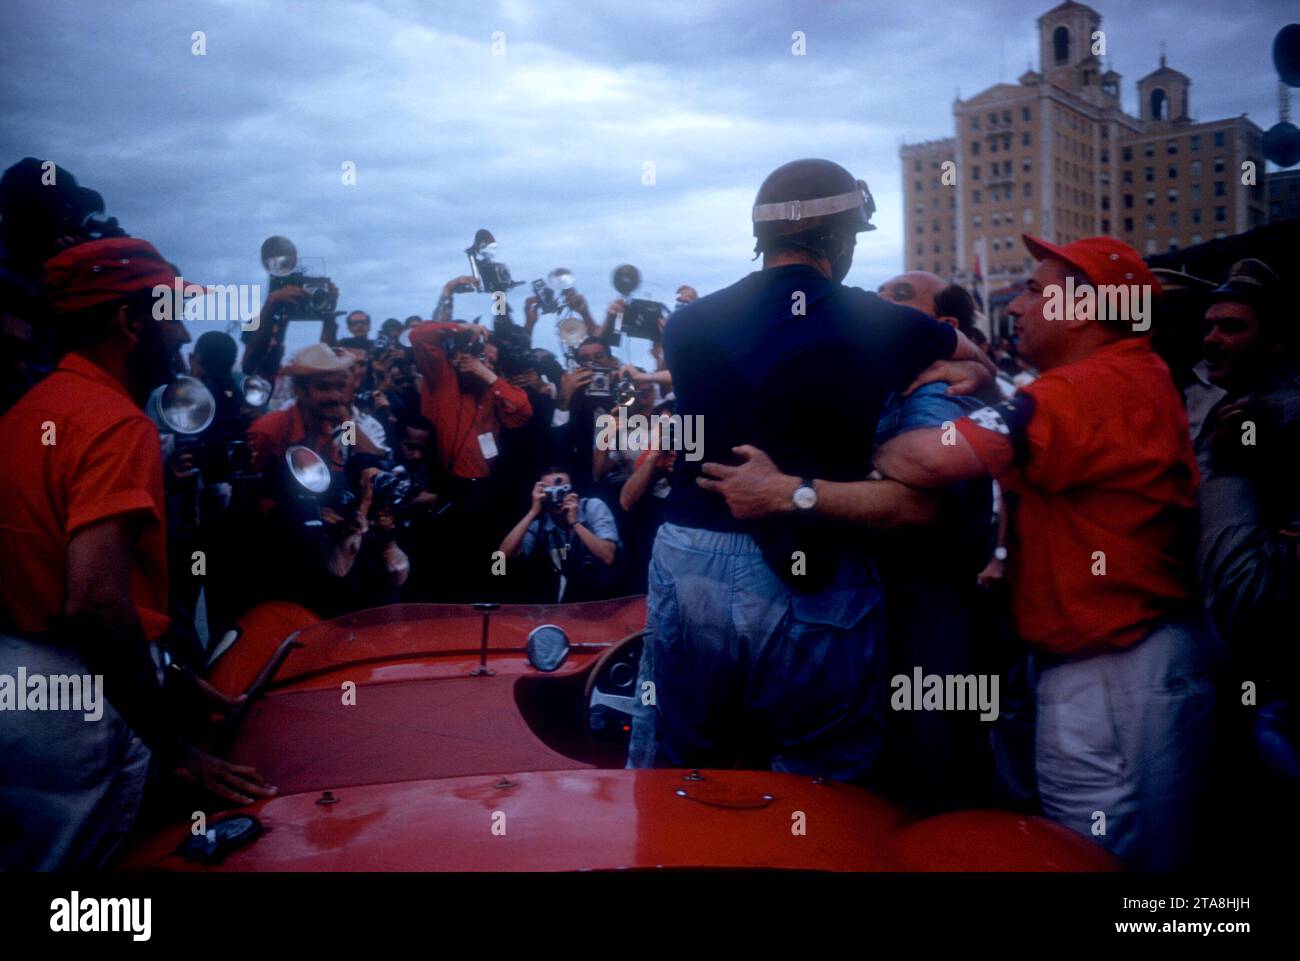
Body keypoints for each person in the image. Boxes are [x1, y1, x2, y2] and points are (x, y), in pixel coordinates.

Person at [629, 158, 994, 783]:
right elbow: (974, 362)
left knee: (682, 768)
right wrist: (966, 370)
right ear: (837, 239)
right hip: (806, 563)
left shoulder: (687, 324)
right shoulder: (881, 321)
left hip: (688, 551)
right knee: (817, 777)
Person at [870, 234, 1218, 870]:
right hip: (1126, 661)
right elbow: (1030, 431)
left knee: (1099, 865)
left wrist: (866, 443)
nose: (1015, 305)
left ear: (1083, 307)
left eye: (1034, 290)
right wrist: (983, 377)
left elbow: (926, 458)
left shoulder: (1091, 387)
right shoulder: (1121, 378)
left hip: (1111, 671)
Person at [0, 238, 275, 870]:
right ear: (129, 321)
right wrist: (179, 751)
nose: (180, 336)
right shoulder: (115, 423)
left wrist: (166, 673)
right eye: (171, 314)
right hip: (79, 701)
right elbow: (96, 602)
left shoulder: (26, 413)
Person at [498, 467, 621, 603]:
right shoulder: (541, 525)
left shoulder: (592, 507)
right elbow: (502, 556)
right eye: (550, 492)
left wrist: (575, 523)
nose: (556, 497)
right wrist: (533, 511)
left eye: (562, 490)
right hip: (565, 603)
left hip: (605, 599)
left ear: (573, 491)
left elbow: (608, 556)